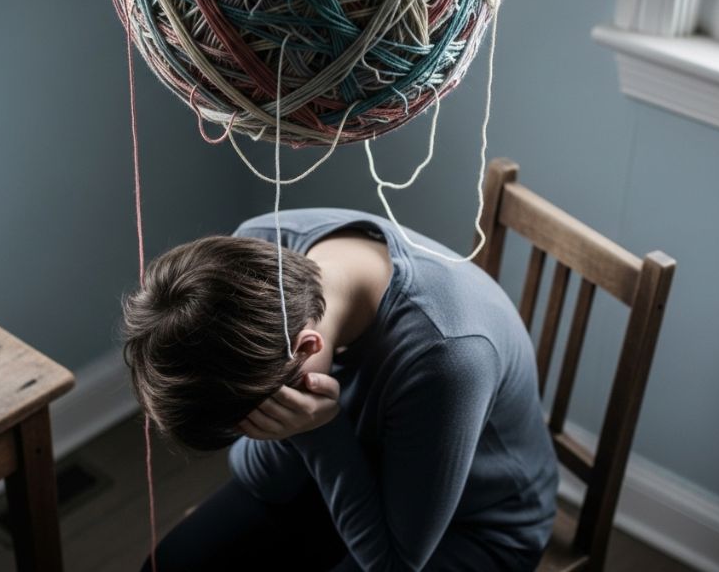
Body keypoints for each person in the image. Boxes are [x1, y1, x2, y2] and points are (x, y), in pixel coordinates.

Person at [124, 208, 558, 571]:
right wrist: (304, 431)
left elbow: (394, 564)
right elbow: (263, 481)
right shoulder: (249, 256)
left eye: (253, 418)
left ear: (308, 347)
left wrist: (317, 433)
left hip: (477, 525)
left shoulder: (448, 358)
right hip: (351, 467)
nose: (252, 431)